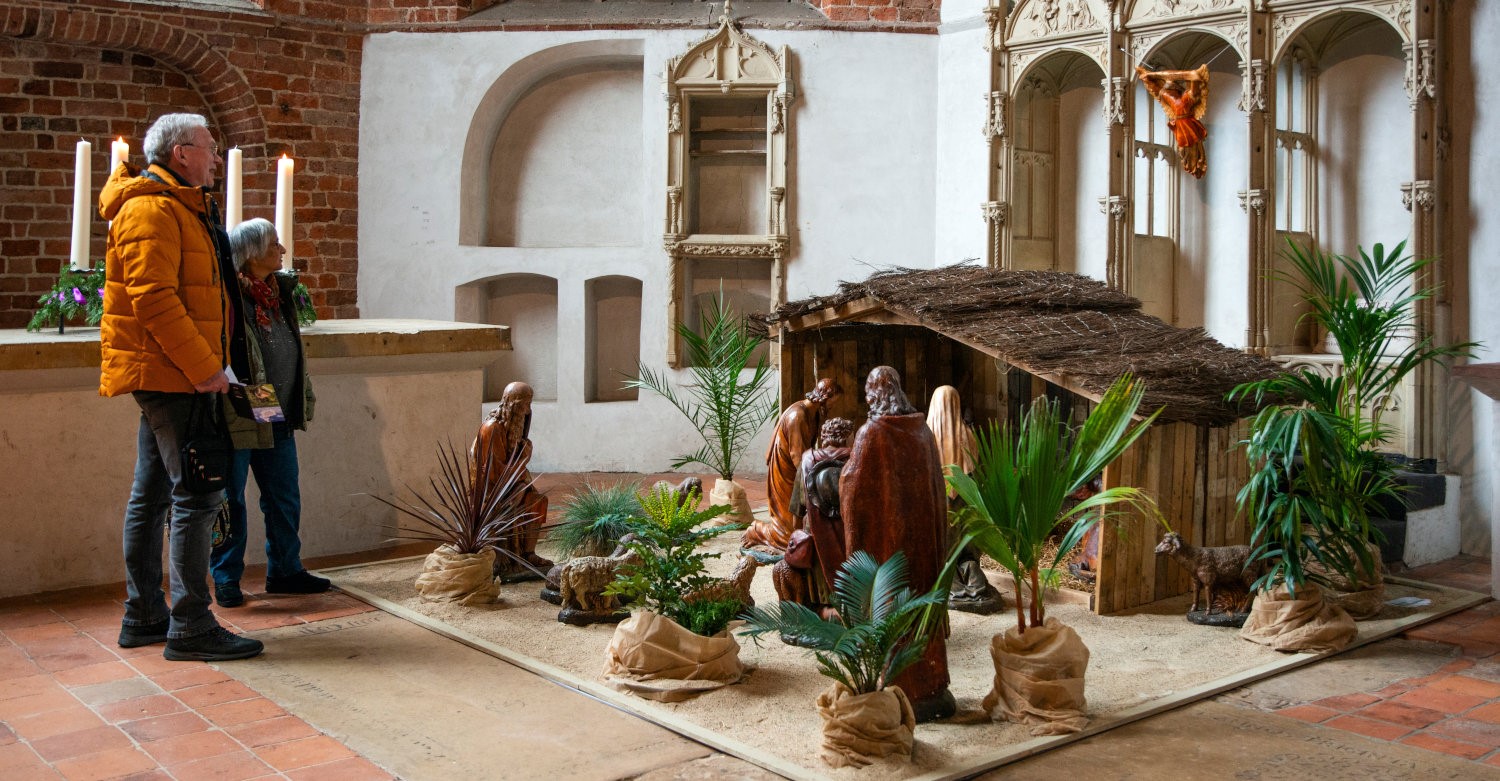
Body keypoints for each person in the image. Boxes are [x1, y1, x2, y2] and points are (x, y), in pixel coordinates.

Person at [99, 113, 263, 662]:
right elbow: (155, 300)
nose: (217, 158)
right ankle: (190, 624)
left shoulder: (178, 205)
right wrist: (203, 369)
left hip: (170, 372)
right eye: (209, 148)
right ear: (179, 153)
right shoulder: (151, 208)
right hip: (175, 375)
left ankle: (145, 614)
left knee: (151, 494)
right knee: (198, 493)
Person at [210, 218, 324, 607]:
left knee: (283, 495)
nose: (282, 250)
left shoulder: (279, 293)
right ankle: (225, 577)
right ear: (252, 253)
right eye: (275, 244)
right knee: (232, 499)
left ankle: (286, 570)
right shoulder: (229, 297)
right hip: (243, 408)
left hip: (278, 409)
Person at [840, 367, 954, 721]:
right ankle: (930, 685)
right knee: (919, 612)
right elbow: (938, 490)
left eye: (869, 392)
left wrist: (841, 480)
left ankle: (901, 688)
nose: (868, 399)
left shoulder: (871, 434)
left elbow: (853, 486)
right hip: (922, 549)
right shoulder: (922, 432)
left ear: (875, 393)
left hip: (888, 552)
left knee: (890, 612)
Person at [926, 386, 1004, 614]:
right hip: (965, 499)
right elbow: (974, 468)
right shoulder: (968, 436)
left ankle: (951, 581)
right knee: (965, 548)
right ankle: (971, 577)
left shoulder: (926, 436)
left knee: (944, 546)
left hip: (938, 500)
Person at [744, 378, 841, 551]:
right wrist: (810, 481)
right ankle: (757, 530)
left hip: (800, 471)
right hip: (787, 472)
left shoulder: (815, 413)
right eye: (834, 401)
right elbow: (797, 456)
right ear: (826, 397)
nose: (834, 405)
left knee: (800, 529)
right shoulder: (798, 416)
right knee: (788, 536)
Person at [471, 381, 552, 581]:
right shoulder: (492, 429)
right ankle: (503, 560)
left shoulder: (511, 426)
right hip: (490, 494)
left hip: (511, 486)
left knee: (537, 500)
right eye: (525, 405)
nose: (528, 411)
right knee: (518, 504)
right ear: (514, 405)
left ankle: (527, 554)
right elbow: (495, 473)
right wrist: (524, 457)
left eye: (530, 404)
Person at [773, 417, 854, 613]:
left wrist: (798, 534)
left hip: (815, 531)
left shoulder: (808, 460)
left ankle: (819, 607)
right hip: (848, 532)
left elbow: (797, 508)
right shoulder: (856, 459)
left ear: (824, 437)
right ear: (848, 437)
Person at [1137, 65, 1210, 179]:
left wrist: (1154, 74)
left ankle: (1196, 165)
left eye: (1170, 88)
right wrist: (1147, 76)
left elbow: (1195, 76)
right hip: (1180, 126)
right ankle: (1190, 165)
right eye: (1167, 88)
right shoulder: (1168, 97)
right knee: (1182, 150)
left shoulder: (1187, 97)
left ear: (1176, 89)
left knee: (1192, 148)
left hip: (1188, 125)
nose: (1168, 91)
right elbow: (1154, 88)